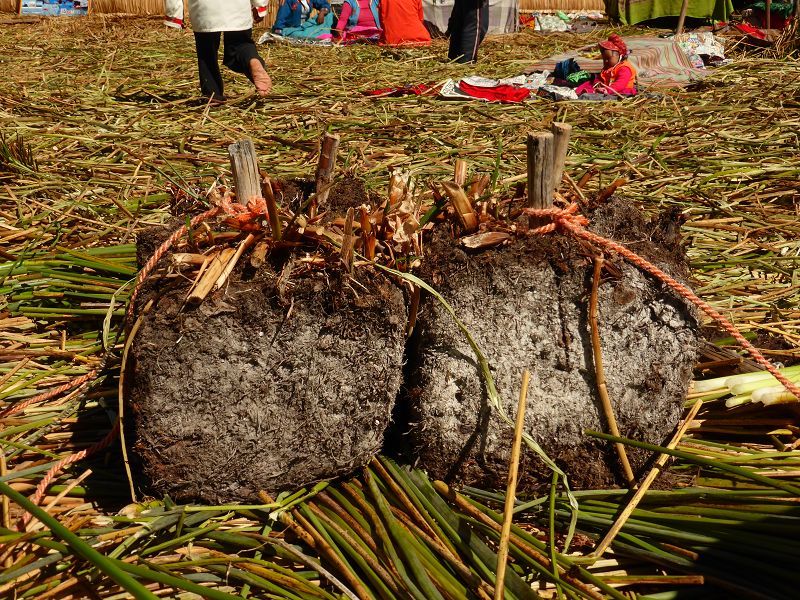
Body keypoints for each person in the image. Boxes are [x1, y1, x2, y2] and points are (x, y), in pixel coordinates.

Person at [164, 0, 272, 101]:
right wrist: (260, 4)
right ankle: (251, 59)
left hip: (205, 7)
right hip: (237, 6)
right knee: (240, 44)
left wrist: (174, 15)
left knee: (207, 54)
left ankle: (213, 95)